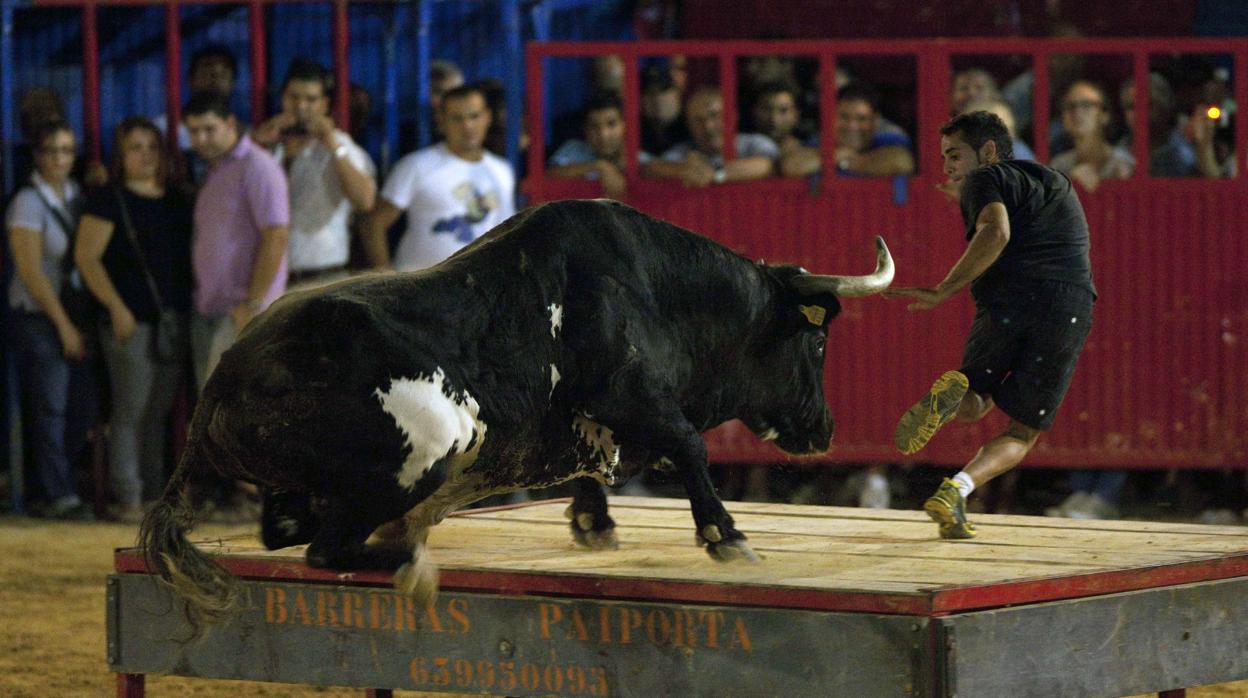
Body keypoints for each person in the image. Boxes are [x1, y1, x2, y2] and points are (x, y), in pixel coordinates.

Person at [885, 110, 1096, 539]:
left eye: (954, 155)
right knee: (1022, 429)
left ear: (988, 151)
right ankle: (956, 491)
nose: (947, 166)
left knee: (976, 395)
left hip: (1005, 302)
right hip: (1064, 305)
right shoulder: (1055, 180)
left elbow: (996, 232)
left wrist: (943, 289)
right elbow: (1010, 222)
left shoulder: (985, 179)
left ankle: (951, 402)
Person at [73, 117, 193, 523]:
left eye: (151, 147)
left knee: (158, 411)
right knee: (130, 410)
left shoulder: (176, 199)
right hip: (130, 321)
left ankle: (154, 494)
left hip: (171, 320)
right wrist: (116, 307)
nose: (145, 156)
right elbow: (86, 258)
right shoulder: (109, 199)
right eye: (135, 148)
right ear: (120, 157)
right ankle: (129, 496)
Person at [5, 120, 93, 520]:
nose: (60, 158)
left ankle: (55, 485)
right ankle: (55, 493)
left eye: (67, 150)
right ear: (37, 157)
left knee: (80, 408)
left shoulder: (74, 194)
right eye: (52, 151)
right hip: (40, 316)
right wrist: (63, 326)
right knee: (51, 408)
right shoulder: (27, 202)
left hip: (70, 312)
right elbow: (31, 271)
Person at [253, 59, 378, 287]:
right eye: (294, 97)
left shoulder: (341, 145)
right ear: (283, 99)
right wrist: (258, 145)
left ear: (324, 105)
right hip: (270, 280)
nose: (301, 106)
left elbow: (365, 202)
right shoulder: (270, 146)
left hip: (323, 277)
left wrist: (331, 143)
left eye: (310, 99)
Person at [365, 84, 515, 272]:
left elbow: (507, 233)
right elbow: (374, 224)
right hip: (420, 289)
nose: (467, 126)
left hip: (479, 288)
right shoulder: (416, 166)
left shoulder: (501, 170)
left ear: (487, 118)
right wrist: (384, 278)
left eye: (474, 116)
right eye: (457, 118)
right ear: (441, 121)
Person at [643, 85, 778, 187]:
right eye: (698, 120)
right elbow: (650, 167)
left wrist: (715, 174)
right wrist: (680, 170)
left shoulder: (754, 143)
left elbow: (768, 164)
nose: (708, 127)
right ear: (689, 125)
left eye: (714, 116)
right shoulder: (684, 151)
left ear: (733, 116)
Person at [780, 82, 914, 178]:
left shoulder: (887, 139)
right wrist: (841, 154)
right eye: (844, 117)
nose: (852, 126)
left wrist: (843, 162)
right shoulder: (819, 142)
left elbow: (902, 163)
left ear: (875, 121)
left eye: (862, 119)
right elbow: (792, 167)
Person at [1049, 80, 1134, 191]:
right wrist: (1071, 182)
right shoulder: (1058, 166)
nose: (1077, 112)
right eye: (1070, 106)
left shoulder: (1124, 164)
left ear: (1104, 115)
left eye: (1086, 105)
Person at [547, 92, 627, 199]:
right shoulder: (574, 148)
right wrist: (599, 166)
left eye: (611, 124)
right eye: (594, 126)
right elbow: (549, 174)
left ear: (625, 126)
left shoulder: (637, 157)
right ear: (585, 130)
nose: (603, 134)